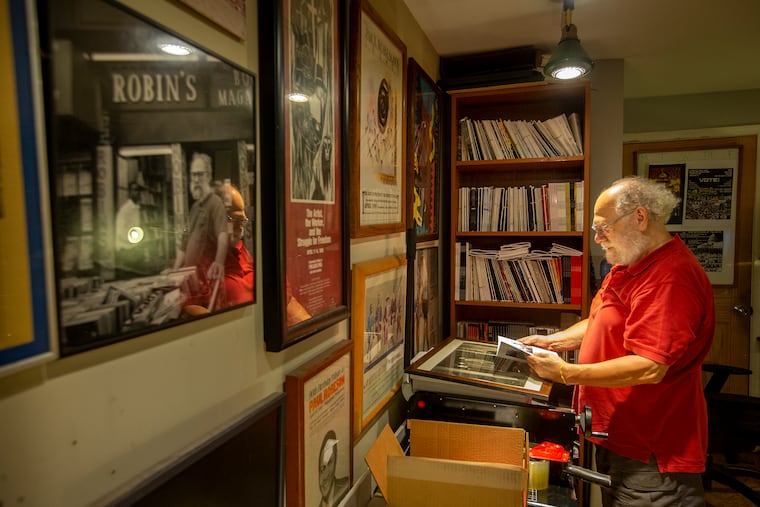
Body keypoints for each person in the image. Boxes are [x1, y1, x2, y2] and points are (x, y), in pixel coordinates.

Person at [520, 176, 715, 506]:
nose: (597, 239)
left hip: (651, 453)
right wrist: (555, 341)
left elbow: (649, 366)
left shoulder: (671, 279)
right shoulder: (630, 263)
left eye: (603, 228)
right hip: (617, 436)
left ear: (639, 218)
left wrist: (565, 373)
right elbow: (603, 319)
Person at [172, 153, 228, 292]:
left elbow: (223, 235)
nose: (196, 179)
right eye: (193, 175)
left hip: (206, 280)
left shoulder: (215, 203)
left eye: (199, 174)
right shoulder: (194, 207)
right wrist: (174, 271)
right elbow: (184, 244)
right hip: (189, 281)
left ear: (208, 176)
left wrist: (219, 262)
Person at [219, 183, 254, 308]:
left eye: (242, 220)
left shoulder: (242, 251)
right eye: (234, 218)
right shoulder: (201, 260)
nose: (239, 227)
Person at [114, 181, 145, 277]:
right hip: (126, 249)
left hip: (134, 248)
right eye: (135, 190)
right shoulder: (125, 210)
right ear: (129, 192)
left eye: (139, 191)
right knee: (128, 276)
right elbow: (120, 231)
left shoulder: (136, 208)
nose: (138, 193)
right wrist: (133, 240)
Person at [317, 430, 350, 507]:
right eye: (322, 469)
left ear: (335, 462)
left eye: (330, 463)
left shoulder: (346, 485)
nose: (325, 475)